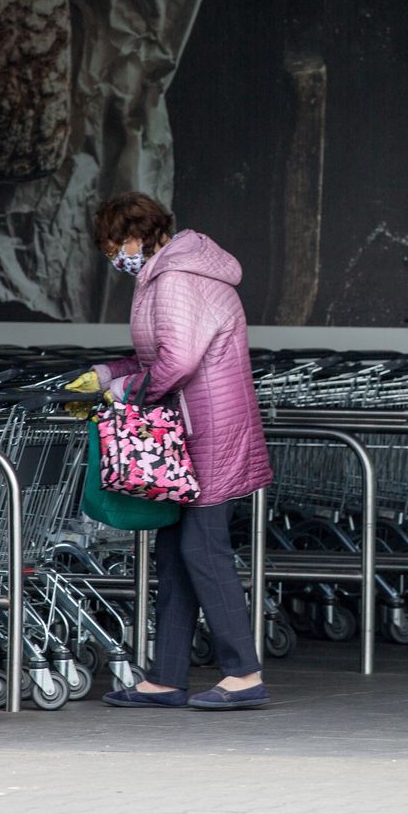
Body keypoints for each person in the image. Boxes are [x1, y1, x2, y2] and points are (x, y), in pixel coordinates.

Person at [87, 191, 274, 711]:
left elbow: (179, 361)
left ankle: (244, 673)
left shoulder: (175, 279)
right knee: (174, 554)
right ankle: (166, 677)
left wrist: (126, 391)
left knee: (201, 549)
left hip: (211, 430)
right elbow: (156, 355)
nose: (113, 257)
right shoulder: (163, 277)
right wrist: (106, 375)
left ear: (137, 235)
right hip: (190, 432)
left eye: (113, 244)